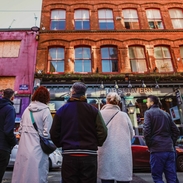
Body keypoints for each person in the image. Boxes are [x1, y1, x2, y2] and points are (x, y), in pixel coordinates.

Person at [50, 82, 107, 183]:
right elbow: (102, 131)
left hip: (69, 154)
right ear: (84, 93)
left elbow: (54, 132)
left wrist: (61, 144)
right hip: (89, 154)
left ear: (72, 92)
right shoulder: (94, 111)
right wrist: (95, 143)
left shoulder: (61, 111)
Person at [12, 86, 53, 183]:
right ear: (46, 97)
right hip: (38, 149)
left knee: (22, 174)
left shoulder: (27, 110)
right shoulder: (46, 111)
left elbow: (20, 129)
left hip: (24, 148)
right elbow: (47, 133)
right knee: (37, 174)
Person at [98, 92, 134, 183]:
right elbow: (131, 134)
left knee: (106, 178)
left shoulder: (100, 114)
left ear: (106, 101)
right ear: (118, 102)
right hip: (122, 154)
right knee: (122, 178)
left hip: (105, 152)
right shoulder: (124, 115)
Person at [143, 95, 180, 183]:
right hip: (169, 149)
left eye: (147, 102)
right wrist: (171, 142)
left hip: (157, 149)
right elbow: (176, 131)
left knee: (157, 177)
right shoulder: (166, 114)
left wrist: (149, 145)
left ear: (152, 103)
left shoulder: (148, 113)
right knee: (172, 177)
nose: (147, 104)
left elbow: (146, 131)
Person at [0, 88, 17, 182]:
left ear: (3, 95)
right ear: (12, 97)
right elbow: (8, 130)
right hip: (2, 147)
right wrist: (14, 142)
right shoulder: (9, 109)